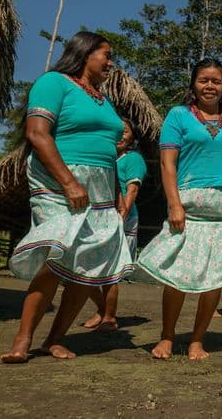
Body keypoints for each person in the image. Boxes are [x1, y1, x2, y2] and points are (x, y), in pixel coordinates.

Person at [1, 31, 134, 363]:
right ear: (85, 53)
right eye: (106, 54)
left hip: (102, 188)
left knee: (91, 267)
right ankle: (23, 338)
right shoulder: (53, 83)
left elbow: (108, 151)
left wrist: (116, 192)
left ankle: (55, 338)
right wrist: (70, 182)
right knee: (56, 258)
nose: (111, 61)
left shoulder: (105, 100)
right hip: (59, 180)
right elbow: (36, 133)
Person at [137, 58, 222, 361]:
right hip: (188, 205)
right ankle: (167, 337)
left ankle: (197, 340)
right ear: (193, 85)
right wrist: (174, 204)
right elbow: (168, 163)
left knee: (215, 278)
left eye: (216, 81)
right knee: (177, 275)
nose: (210, 85)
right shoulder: (178, 116)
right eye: (204, 80)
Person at [83, 118, 147, 331]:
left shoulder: (133, 159)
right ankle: (102, 309)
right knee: (84, 268)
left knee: (109, 273)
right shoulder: (103, 157)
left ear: (132, 138)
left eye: (126, 132)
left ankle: (109, 317)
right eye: (117, 130)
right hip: (97, 216)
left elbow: (132, 190)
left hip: (121, 218)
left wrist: (121, 216)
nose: (120, 135)